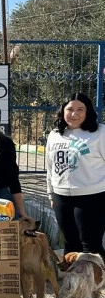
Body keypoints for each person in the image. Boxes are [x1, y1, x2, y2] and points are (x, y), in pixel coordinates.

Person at [46, 92, 105, 259]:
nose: (74, 114)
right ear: (62, 111)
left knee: (91, 246)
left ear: (88, 112)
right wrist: (51, 194)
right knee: (70, 244)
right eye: (69, 109)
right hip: (61, 197)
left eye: (80, 109)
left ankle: (97, 283)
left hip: (92, 198)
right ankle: (74, 283)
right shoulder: (55, 135)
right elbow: (50, 168)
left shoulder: (100, 133)